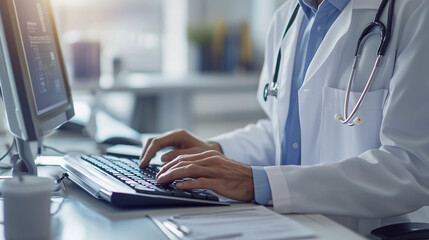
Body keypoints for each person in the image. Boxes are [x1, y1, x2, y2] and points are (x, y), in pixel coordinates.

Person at [140, 0, 429, 237]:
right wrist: (216, 150)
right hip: (290, 224)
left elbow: (411, 168)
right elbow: (282, 133)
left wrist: (263, 183)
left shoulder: (415, 13)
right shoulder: (286, 18)